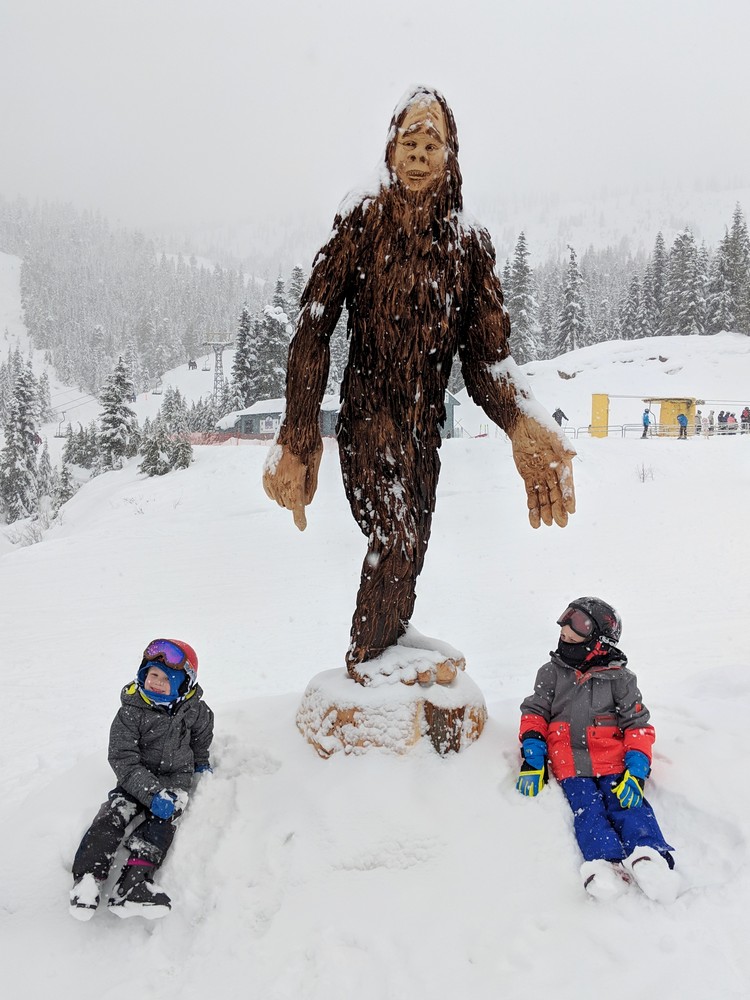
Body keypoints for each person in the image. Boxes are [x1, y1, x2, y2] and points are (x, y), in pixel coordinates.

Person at [263, 86, 576, 686]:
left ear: (451, 156)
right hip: (367, 417)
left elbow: (486, 360)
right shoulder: (363, 220)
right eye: (409, 140)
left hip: (421, 429)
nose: (419, 154)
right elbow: (313, 326)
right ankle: (370, 669)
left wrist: (519, 418)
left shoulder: (467, 246)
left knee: (411, 545)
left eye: (432, 143)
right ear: (390, 148)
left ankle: (390, 649)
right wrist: (299, 432)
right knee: (397, 537)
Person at [515, 597, 678, 902]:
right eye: (563, 636)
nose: (565, 639)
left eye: (573, 637)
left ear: (599, 643)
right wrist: (534, 754)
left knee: (630, 807)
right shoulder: (550, 673)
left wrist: (638, 766)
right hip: (570, 765)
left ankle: (649, 857)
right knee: (587, 812)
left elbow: (636, 725)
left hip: (614, 764)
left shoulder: (621, 680)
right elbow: (535, 712)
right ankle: (604, 864)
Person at [69, 639, 214, 921]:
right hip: (135, 780)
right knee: (112, 816)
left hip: (174, 780)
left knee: (162, 825)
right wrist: (150, 793)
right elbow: (122, 757)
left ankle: (134, 883)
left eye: (165, 678)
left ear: (184, 683)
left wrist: (201, 762)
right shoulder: (131, 711)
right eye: (152, 675)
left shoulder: (195, 709)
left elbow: (201, 734)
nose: (156, 682)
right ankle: (86, 880)